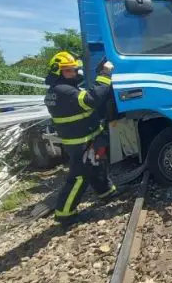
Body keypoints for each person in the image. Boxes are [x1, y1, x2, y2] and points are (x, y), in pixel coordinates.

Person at [44, 51, 117, 225]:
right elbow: (91, 99)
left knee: (97, 166)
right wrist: (105, 75)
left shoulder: (57, 90)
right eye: (69, 70)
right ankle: (65, 214)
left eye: (75, 70)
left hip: (84, 137)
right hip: (80, 141)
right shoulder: (64, 90)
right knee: (79, 177)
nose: (74, 73)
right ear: (57, 71)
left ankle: (106, 192)